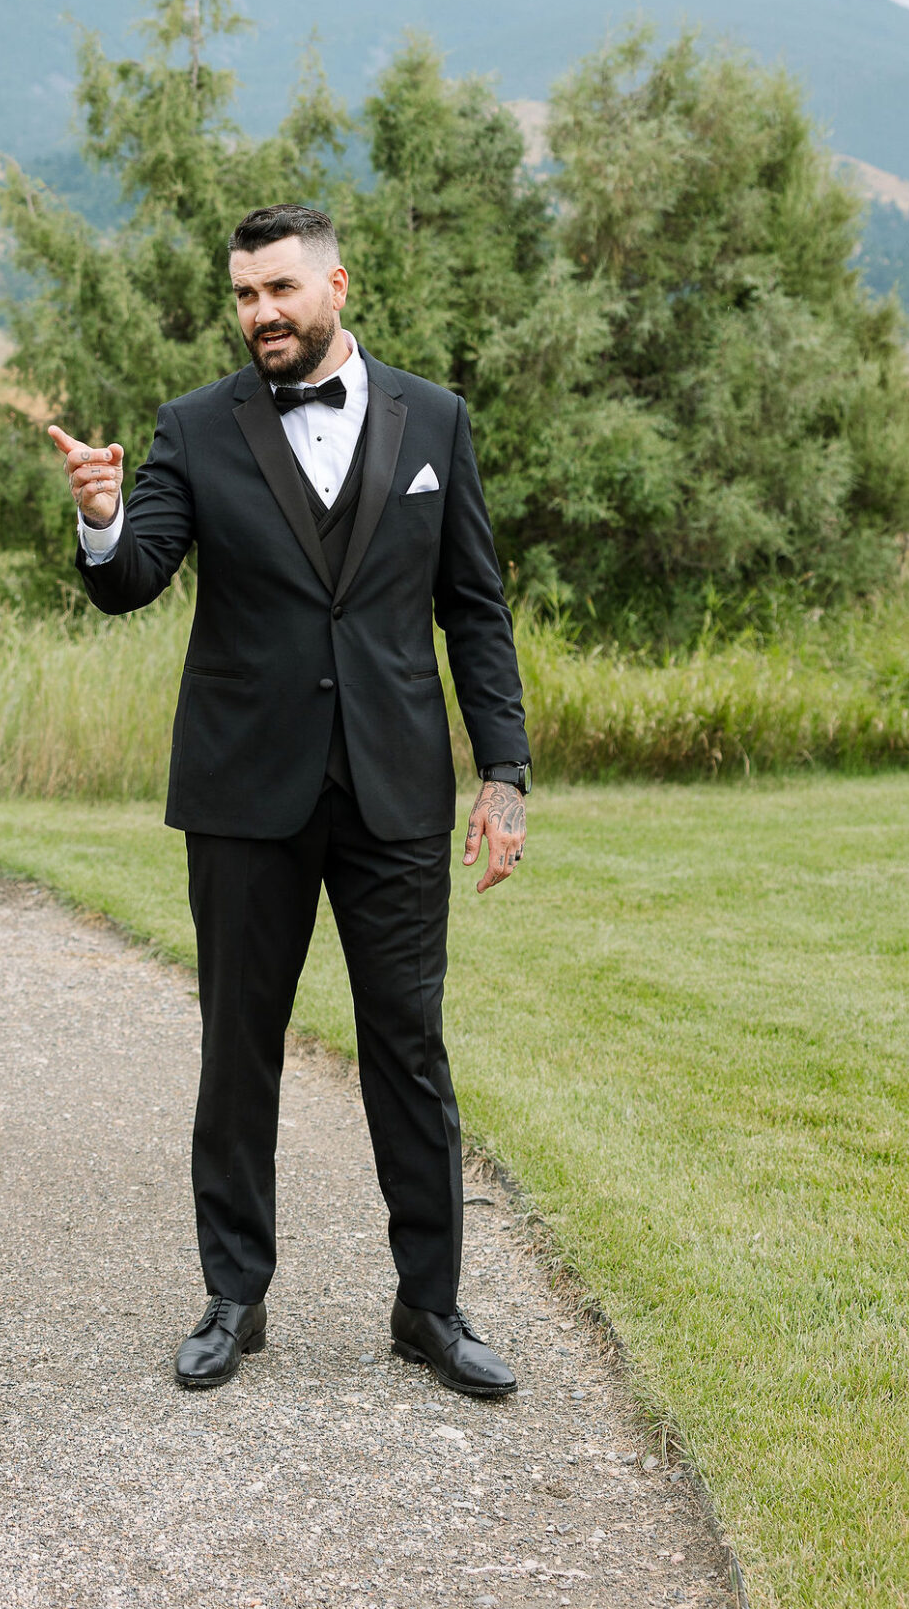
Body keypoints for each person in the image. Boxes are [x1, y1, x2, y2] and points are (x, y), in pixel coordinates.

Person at [48, 203, 532, 1400]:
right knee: (238, 1046)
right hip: (242, 789)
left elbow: (473, 605)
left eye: (279, 289)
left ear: (334, 285)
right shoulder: (194, 428)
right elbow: (134, 579)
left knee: (408, 1049)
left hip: (395, 791)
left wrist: (504, 773)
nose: (260, 312)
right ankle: (233, 1296)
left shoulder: (437, 418)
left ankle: (430, 1307)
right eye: (243, 295)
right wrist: (103, 518)